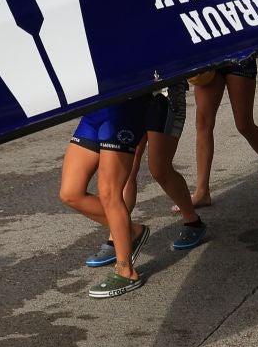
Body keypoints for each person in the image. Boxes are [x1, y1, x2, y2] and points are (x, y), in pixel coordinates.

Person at [60, 85, 208, 298]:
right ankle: (129, 232)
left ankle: (127, 268)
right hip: (96, 107)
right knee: (70, 192)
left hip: (145, 100)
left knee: (156, 169)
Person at [188, 56, 258, 208]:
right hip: (209, 54)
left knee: (244, 124)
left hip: (239, 54)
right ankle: (202, 191)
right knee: (203, 123)